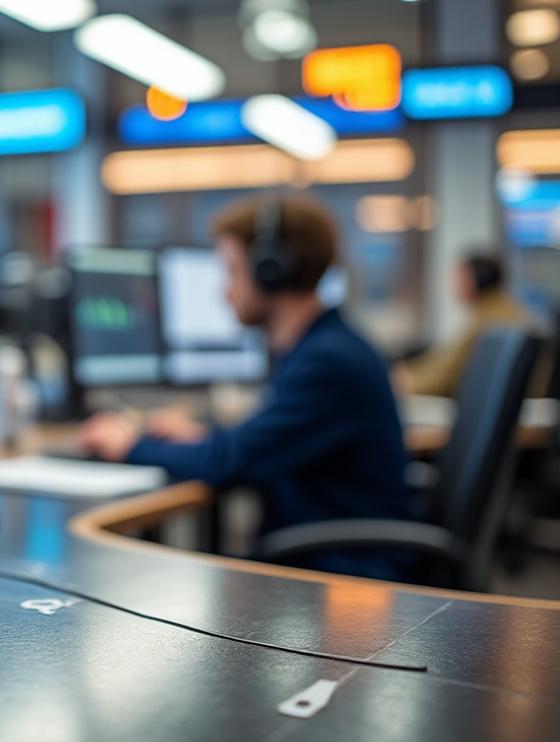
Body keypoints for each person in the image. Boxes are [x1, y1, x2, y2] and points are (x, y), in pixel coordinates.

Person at [79, 193, 414, 581]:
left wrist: (129, 444)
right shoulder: (319, 348)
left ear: (272, 272)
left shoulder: (328, 362)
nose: (225, 291)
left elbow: (231, 463)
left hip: (348, 582)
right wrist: (201, 437)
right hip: (329, 564)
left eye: (233, 272)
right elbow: (261, 445)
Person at [395, 251, 540, 398]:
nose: (454, 285)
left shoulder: (489, 322)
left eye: (459, 277)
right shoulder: (505, 310)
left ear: (472, 280)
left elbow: (443, 377)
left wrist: (404, 380)